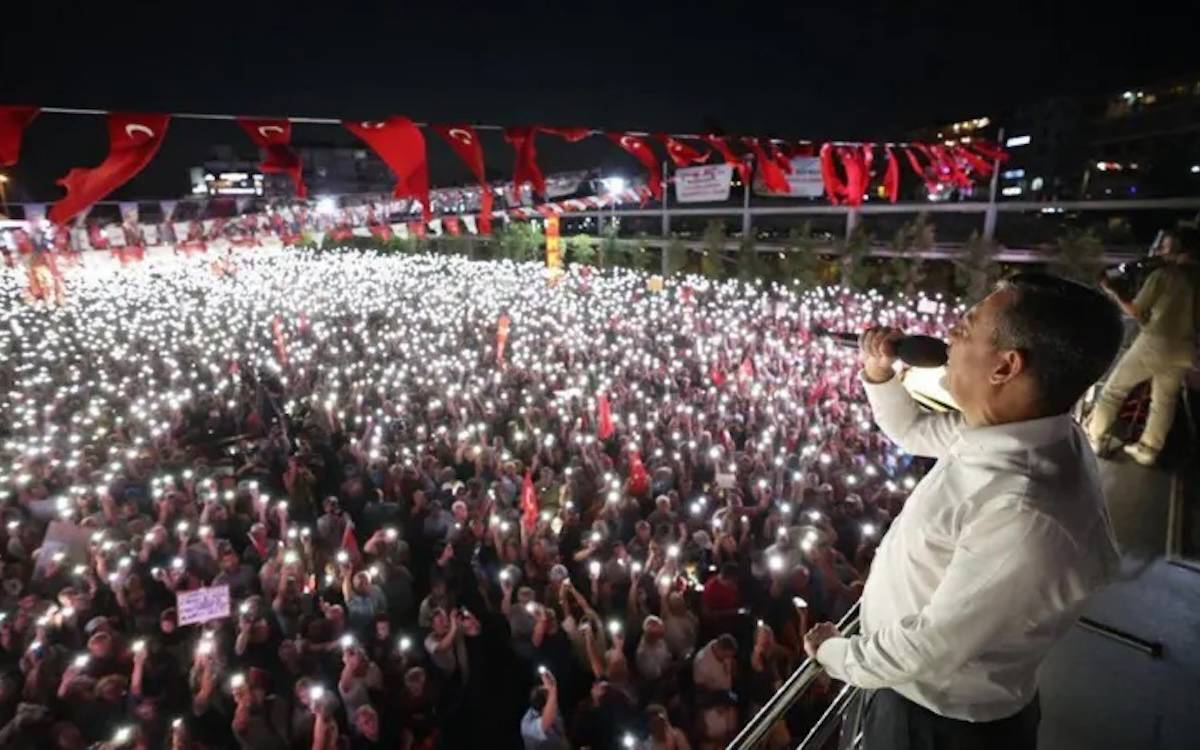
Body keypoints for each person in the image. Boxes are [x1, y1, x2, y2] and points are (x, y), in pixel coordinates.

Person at [804, 273, 1125, 749]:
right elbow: (913, 430)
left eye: (968, 326)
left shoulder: (1027, 512)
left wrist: (834, 655)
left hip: (937, 723)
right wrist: (878, 373)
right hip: (917, 693)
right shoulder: (1021, 430)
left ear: (1005, 366)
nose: (949, 333)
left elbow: (932, 647)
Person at [1091, 227, 1199, 465]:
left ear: (1179, 248)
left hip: (1156, 343)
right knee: (1164, 400)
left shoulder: (1165, 275)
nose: (1161, 250)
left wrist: (1112, 290)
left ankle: (1095, 438)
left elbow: (1135, 310)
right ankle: (1148, 449)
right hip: (1186, 349)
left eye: (1166, 246)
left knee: (1113, 391)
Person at [520, 669, 568, 750]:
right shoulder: (527, 723)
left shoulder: (552, 709)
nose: (553, 700)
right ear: (544, 706)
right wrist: (552, 690)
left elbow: (561, 734)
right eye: (550, 698)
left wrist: (552, 685)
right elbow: (546, 723)